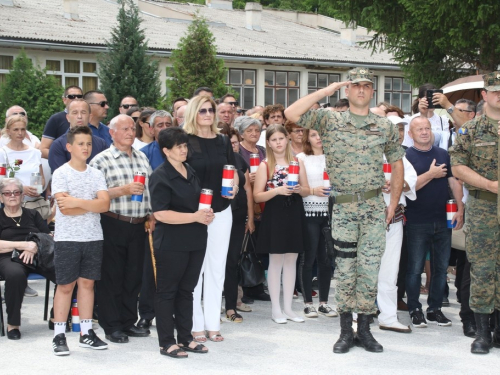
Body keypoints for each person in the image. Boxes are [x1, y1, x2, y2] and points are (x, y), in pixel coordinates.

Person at [285, 67, 405, 353]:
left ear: (372, 91)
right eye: (355, 85)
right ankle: (344, 331)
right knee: (346, 268)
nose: (361, 90)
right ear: (347, 91)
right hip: (344, 207)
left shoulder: (385, 126)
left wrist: (393, 203)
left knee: (370, 268)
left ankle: (364, 330)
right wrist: (326, 92)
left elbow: (397, 162)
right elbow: (291, 114)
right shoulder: (329, 119)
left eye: (366, 85)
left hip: (375, 207)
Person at [89, 114, 155, 344]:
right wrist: (122, 190)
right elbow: (93, 194)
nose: (129, 132)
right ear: (112, 132)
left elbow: (150, 190)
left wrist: (152, 214)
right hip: (112, 222)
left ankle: (128, 322)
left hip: (138, 224)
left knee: (133, 277)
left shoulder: (142, 158)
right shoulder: (101, 160)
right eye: (124, 128)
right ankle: (112, 326)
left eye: (132, 128)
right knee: (111, 277)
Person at [149, 127, 212, 358]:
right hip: (171, 242)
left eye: (185, 146)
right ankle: (166, 342)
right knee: (167, 292)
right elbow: (161, 214)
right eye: (179, 147)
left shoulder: (190, 170)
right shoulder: (160, 175)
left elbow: (196, 204)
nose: (184, 150)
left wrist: (205, 214)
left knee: (187, 291)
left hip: (196, 239)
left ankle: (185, 337)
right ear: (166, 150)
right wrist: (195, 217)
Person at [449, 71, 500, 354]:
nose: (499, 95)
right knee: (481, 269)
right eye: (495, 90)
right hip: (483, 207)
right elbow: (457, 168)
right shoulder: (470, 130)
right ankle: (482, 332)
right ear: (484, 95)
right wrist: (490, 184)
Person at [51, 126, 110, 355]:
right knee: (65, 286)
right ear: (69, 147)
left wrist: (78, 202)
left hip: (93, 237)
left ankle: (86, 333)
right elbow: (64, 210)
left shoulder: (96, 173)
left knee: (88, 284)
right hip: (68, 239)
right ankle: (58, 335)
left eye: (88, 143)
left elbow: (104, 205)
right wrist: (90, 204)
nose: (85, 148)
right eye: (80, 144)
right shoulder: (61, 173)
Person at [184, 95, 238, 343]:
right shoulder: (184, 140)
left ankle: (213, 324)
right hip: (194, 213)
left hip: (222, 210)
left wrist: (235, 186)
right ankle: (195, 325)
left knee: (217, 269)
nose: (207, 114)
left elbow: (232, 169)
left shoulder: (223, 141)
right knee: (195, 270)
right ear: (194, 112)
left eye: (211, 110)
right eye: (202, 110)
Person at [404, 116, 464, 329]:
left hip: (443, 219)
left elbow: (453, 181)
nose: (424, 132)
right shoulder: (406, 156)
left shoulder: (443, 154)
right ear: (410, 134)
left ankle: (434, 309)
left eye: (427, 128)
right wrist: (431, 174)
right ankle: (414, 309)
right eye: (419, 129)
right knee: (414, 269)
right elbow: (407, 188)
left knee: (440, 268)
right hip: (417, 221)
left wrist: (460, 207)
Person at [254, 124, 306, 324]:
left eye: (281, 138)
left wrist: (299, 189)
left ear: (287, 139)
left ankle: (289, 309)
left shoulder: (297, 162)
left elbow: (306, 189)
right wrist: (277, 190)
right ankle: (276, 309)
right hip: (275, 213)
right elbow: (258, 195)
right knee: (276, 261)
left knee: (292, 259)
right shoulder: (265, 165)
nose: (278, 143)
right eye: (274, 139)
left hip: (294, 210)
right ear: (268, 143)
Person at [376, 116, 417, 334]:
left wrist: (396, 184)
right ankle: (356, 316)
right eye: (394, 129)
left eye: (401, 129)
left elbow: (412, 182)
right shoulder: (366, 151)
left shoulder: (401, 157)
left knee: (390, 269)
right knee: (361, 268)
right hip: (367, 218)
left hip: (395, 218)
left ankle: (388, 316)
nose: (398, 133)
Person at [0, 178, 53, 340]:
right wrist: (24, 245)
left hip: (36, 256)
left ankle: (56, 316)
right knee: (15, 275)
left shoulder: (32, 214)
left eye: (16, 192)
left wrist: (34, 246)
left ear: (22, 196)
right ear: (1, 197)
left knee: (66, 271)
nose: (12, 196)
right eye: (7, 193)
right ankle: (13, 325)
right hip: (8, 258)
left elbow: (47, 236)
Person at [137, 110, 173, 330]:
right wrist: (150, 215)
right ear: (151, 129)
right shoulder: (144, 153)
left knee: (174, 270)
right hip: (154, 219)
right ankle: (147, 313)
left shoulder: (182, 149)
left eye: (168, 123)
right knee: (150, 270)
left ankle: (172, 313)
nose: (164, 127)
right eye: (159, 124)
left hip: (179, 218)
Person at [296, 129, 337, 318]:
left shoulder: (335, 156)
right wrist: (314, 190)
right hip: (309, 211)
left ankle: (324, 302)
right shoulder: (301, 157)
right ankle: (307, 303)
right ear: (307, 138)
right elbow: (300, 188)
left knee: (326, 259)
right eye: (314, 134)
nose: (319, 138)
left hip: (330, 213)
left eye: (321, 134)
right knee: (308, 257)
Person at [219, 127, 255, 323]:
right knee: (213, 263)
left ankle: (231, 306)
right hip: (217, 216)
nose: (231, 146)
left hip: (238, 217)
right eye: (227, 142)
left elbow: (248, 189)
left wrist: (250, 217)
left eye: (233, 142)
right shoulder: (214, 162)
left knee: (232, 262)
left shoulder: (240, 161)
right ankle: (212, 305)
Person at [48, 99, 108, 173]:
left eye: (83, 112)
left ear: (89, 117)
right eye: (75, 113)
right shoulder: (58, 145)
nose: (79, 116)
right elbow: (60, 175)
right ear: (68, 117)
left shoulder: (101, 144)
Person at [0, 115, 45, 202]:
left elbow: (41, 178)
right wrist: (21, 189)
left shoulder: (35, 152)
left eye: (23, 129)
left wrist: (38, 189)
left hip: (34, 203)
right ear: (8, 131)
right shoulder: (2, 153)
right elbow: (1, 179)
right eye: (16, 129)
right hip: (12, 203)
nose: (20, 133)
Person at [402, 84, 451, 150]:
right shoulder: (410, 121)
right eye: (428, 99)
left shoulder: (443, 120)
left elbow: (445, 144)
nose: (431, 102)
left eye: (434, 98)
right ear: (420, 100)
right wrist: (423, 114)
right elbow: (407, 145)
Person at [40, 85, 83, 158]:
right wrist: (62, 160)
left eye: (79, 96)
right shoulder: (56, 119)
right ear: (64, 100)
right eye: (71, 96)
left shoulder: (87, 118)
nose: (76, 99)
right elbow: (43, 149)